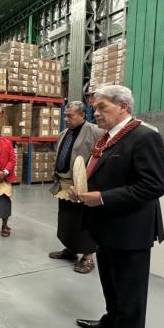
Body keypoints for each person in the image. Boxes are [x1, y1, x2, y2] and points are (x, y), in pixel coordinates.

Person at [69, 85, 164, 328]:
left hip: (131, 228)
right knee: (111, 283)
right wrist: (82, 189)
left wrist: (101, 198)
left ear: (123, 106)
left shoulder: (144, 137)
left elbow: (153, 186)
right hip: (108, 226)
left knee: (129, 288)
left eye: (102, 107)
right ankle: (112, 322)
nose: (95, 112)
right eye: (94, 108)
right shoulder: (107, 138)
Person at [48, 101, 104, 274]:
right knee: (67, 219)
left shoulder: (95, 131)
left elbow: (100, 159)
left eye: (70, 115)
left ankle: (88, 257)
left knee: (84, 220)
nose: (66, 118)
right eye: (65, 115)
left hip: (84, 185)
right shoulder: (64, 133)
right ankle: (70, 249)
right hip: (64, 185)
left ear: (82, 115)